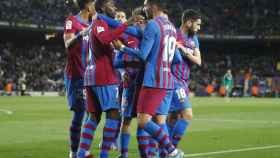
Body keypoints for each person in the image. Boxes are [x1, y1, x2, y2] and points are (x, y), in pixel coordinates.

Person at [113, 0, 184, 157]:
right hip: (167, 81)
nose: (145, 8)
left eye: (146, 5)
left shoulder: (153, 24)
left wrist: (123, 48)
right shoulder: (172, 27)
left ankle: (172, 151)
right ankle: (163, 154)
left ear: (153, 6)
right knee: (159, 121)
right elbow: (177, 59)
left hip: (153, 80)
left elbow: (143, 55)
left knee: (143, 121)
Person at [77, 0, 133, 158]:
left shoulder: (94, 25)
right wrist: (126, 23)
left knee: (93, 116)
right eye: (110, 4)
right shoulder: (99, 21)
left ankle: (82, 153)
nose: (114, 7)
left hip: (91, 75)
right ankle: (104, 155)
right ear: (102, 6)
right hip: (104, 75)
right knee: (114, 114)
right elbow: (104, 39)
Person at [63, 0, 95, 157]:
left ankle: (83, 150)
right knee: (80, 113)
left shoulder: (93, 23)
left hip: (90, 75)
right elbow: (67, 43)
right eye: (94, 3)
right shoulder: (72, 21)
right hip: (76, 75)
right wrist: (79, 35)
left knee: (92, 113)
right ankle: (74, 152)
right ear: (88, 6)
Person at [168, 9, 202, 151]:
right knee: (187, 114)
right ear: (189, 22)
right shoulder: (173, 34)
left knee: (173, 117)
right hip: (173, 79)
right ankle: (172, 149)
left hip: (184, 81)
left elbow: (198, 61)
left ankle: (165, 149)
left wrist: (185, 51)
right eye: (197, 24)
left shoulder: (194, 39)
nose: (199, 28)